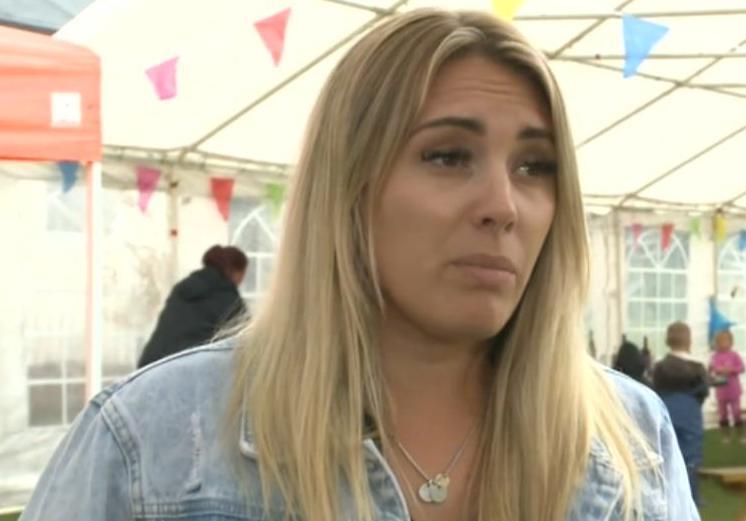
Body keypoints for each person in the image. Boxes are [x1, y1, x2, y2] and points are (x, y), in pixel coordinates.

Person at [21, 9, 699, 521]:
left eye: (534, 166)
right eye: (447, 155)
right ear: (348, 186)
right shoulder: (154, 441)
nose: (503, 204)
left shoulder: (631, 435)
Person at [136, 245, 248, 368]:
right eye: (243, 273)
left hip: (149, 367)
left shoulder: (182, 289)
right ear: (236, 271)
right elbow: (246, 341)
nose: (242, 279)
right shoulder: (228, 299)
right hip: (185, 371)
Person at [653, 321, 709, 506]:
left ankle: (663, 495)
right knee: (690, 457)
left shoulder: (660, 366)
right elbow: (703, 391)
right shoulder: (698, 367)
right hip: (690, 413)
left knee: (663, 453)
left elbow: (654, 389)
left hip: (665, 411)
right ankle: (690, 498)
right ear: (689, 340)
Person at [709, 330, 746, 444]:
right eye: (719, 341)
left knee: (736, 413)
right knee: (723, 415)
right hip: (721, 391)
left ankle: (741, 436)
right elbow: (711, 369)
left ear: (731, 342)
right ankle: (725, 436)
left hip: (734, 390)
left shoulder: (734, 355)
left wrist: (731, 370)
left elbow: (742, 368)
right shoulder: (714, 356)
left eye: (725, 341)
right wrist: (717, 369)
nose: (722, 343)